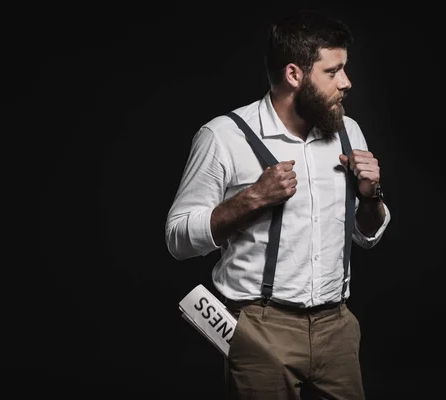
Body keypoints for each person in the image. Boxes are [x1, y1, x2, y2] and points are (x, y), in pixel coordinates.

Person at [165, 9, 391, 399]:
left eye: (345, 69)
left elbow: (366, 236)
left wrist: (372, 196)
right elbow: (178, 239)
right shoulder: (223, 136)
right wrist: (251, 199)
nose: (346, 82)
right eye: (333, 71)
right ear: (294, 75)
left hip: (337, 326)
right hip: (260, 326)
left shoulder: (347, 130)